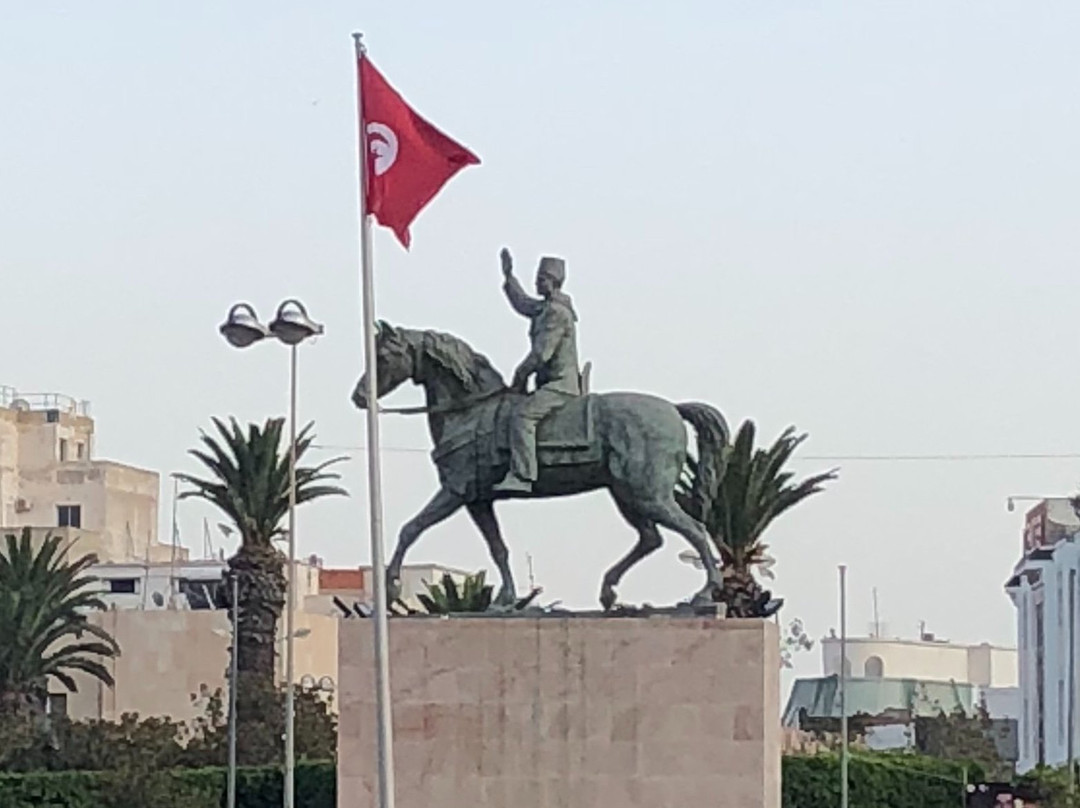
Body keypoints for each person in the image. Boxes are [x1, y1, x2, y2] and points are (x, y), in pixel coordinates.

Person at [493, 247, 581, 493]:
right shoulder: (544, 308)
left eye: (541, 280)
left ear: (553, 283)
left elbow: (542, 354)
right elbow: (523, 304)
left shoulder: (556, 312)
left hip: (560, 385)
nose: (536, 284)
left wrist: (519, 377)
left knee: (523, 415)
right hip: (549, 384)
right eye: (536, 279)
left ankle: (522, 475)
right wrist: (509, 277)